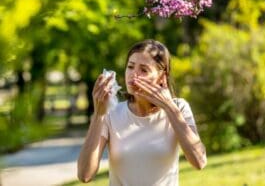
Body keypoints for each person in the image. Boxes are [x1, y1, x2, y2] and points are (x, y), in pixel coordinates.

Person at [77, 39, 207, 186]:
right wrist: (98, 115)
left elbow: (199, 161)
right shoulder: (111, 114)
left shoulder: (179, 108)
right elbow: (84, 175)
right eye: (130, 67)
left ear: (162, 76)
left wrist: (169, 107)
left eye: (143, 70)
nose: (133, 75)